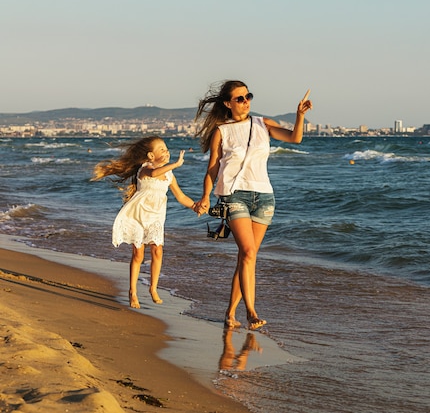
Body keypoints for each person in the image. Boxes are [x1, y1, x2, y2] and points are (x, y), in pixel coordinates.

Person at [193, 80, 312, 330]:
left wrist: (299, 116)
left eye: (248, 96)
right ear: (228, 103)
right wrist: (205, 197)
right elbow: (212, 168)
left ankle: (230, 312)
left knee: (247, 257)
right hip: (234, 196)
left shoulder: (262, 123)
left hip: (264, 197)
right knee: (248, 253)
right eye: (240, 98)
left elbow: (295, 138)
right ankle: (251, 311)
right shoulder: (222, 131)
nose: (246, 101)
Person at [92, 136, 195, 308]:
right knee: (138, 254)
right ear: (151, 156)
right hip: (138, 216)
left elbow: (181, 196)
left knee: (157, 250)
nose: (166, 151)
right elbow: (155, 174)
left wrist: (196, 206)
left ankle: (153, 288)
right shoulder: (145, 169)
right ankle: (132, 291)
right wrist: (176, 164)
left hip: (156, 217)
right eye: (161, 149)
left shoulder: (169, 175)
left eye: (166, 148)